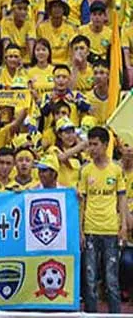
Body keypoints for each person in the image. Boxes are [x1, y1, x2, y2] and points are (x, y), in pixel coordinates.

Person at [80, 126, 128, 314]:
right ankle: (91, 314)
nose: (91, 149)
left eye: (95, 144)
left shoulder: (116, 170)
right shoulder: (86, 171)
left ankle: (115, 315)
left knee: (112, 280)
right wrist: (80, 230)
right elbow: (82, 202)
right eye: (89, 144)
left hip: (110, 230)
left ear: (106, 145)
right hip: (91, 230)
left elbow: (122, 199)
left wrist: (123, 226)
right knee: (90, 279)